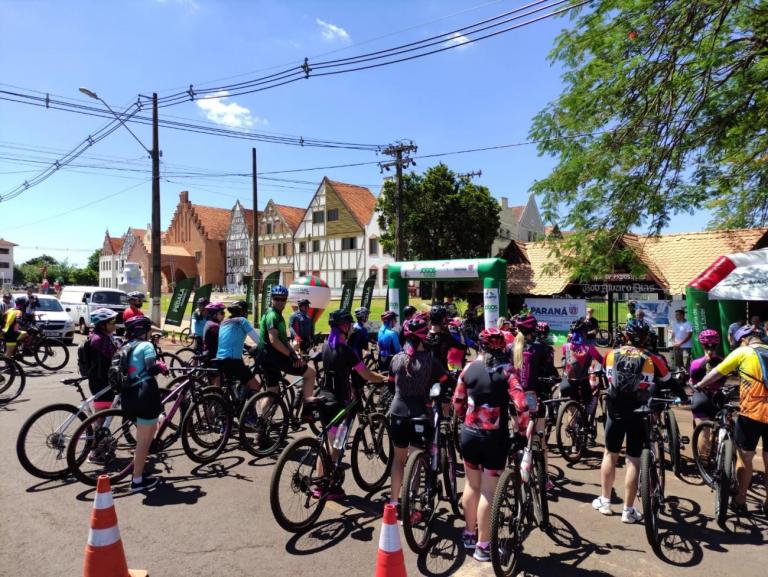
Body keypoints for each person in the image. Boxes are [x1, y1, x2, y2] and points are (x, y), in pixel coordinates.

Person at [453, 327, 525, 561]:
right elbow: (522, 406)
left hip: (469, 434)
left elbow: (457, 401)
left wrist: (464, 415)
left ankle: (469, 533)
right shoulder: (507, 373)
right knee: (488, 491)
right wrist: (522, 431)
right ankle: (483, 546)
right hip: (494, 439)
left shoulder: (468, 368)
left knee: (471, 486)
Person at [593, 319, 672, 522]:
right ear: (646, 338)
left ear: (625, 336)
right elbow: (668, 381)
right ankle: (628, 511)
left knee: (610, 454)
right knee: (633, 460)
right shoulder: (652, 358)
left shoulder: (611, 354)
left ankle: (605, 501)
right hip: (639, 411)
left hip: (615, 410)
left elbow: (604, 377)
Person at [694, 325, 768, 516]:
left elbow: (717, 372)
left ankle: (740, 499)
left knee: (745, 457)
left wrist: (700, 385)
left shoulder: (743, 352)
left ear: (743, 340)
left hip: (752, 413)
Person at [315, 310, 387, 500]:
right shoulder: (346, 351)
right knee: (336, 446)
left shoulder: (325, 346)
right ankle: (326, 487)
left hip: (323, 397)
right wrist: (384, 379)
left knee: (327, 442)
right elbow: (366, 374)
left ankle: (320, 482)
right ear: (344, 327)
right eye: (348, 325)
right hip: (339, 402)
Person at [387, 312, 451, 512]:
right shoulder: (430, 360)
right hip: (420, 414)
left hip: (397, 413)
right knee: (415, 461)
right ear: (425, 337)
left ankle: (395, 502)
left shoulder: (396, 359)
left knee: (398, 461)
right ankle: (411, 502)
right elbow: (446, 381)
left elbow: (390, 387)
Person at [120, 316, 168, 493]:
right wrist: (161, 366)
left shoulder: (125, 346)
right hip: (145, 393)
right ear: (144, 331)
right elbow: (151, 368)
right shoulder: (146, 346)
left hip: (128, 395)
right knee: (143, 442)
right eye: (149, 330)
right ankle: (137, 481)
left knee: (145, 437)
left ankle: (139, 473)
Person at [512, 313, 559, 490]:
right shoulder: (541, 348)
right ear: (533, 330)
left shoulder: (511, 347)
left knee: (518, 435)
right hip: (533, 398)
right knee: (539, 440)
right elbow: (549, 373)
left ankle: (515, 473)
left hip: (514, 397)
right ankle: (544, 479)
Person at [260, 285, 317, 413]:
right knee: (311, 373)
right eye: (277, 299)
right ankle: (308, 411)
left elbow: (283, 341)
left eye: (282, 299)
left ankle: (262, 423)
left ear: (286, 300)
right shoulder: (273, 316)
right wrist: (291, 355)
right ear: (272, 299)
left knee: (271, 392)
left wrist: (293, 351)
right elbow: (274, 340)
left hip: (266, 358)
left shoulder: (273, 314)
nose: (280, 301)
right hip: (275, 357)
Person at [216, 300, 262, 394]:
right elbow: (258, 341)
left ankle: (235, 404)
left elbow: (231, 339)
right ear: (243, 312)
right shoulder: (242, 321)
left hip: (219, 359)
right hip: (233, 361)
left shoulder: (224, 322)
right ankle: (247, 408)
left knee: (236, 384)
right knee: (255, 386)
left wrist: (247, 347)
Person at [560, 321, 604, 406]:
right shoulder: (590, 348)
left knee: (572, 408)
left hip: (567, 384)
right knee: (589, 402)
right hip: (583, 383)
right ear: (584, 334)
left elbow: (566, 358)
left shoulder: (565, 346)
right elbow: (601, 360)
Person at [426, 304, 467, 370]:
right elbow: (463, 346)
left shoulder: (424, 335)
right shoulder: (446, 337)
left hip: (427, 372)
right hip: (442, 373)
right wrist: (460, 330)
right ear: (443, 319)